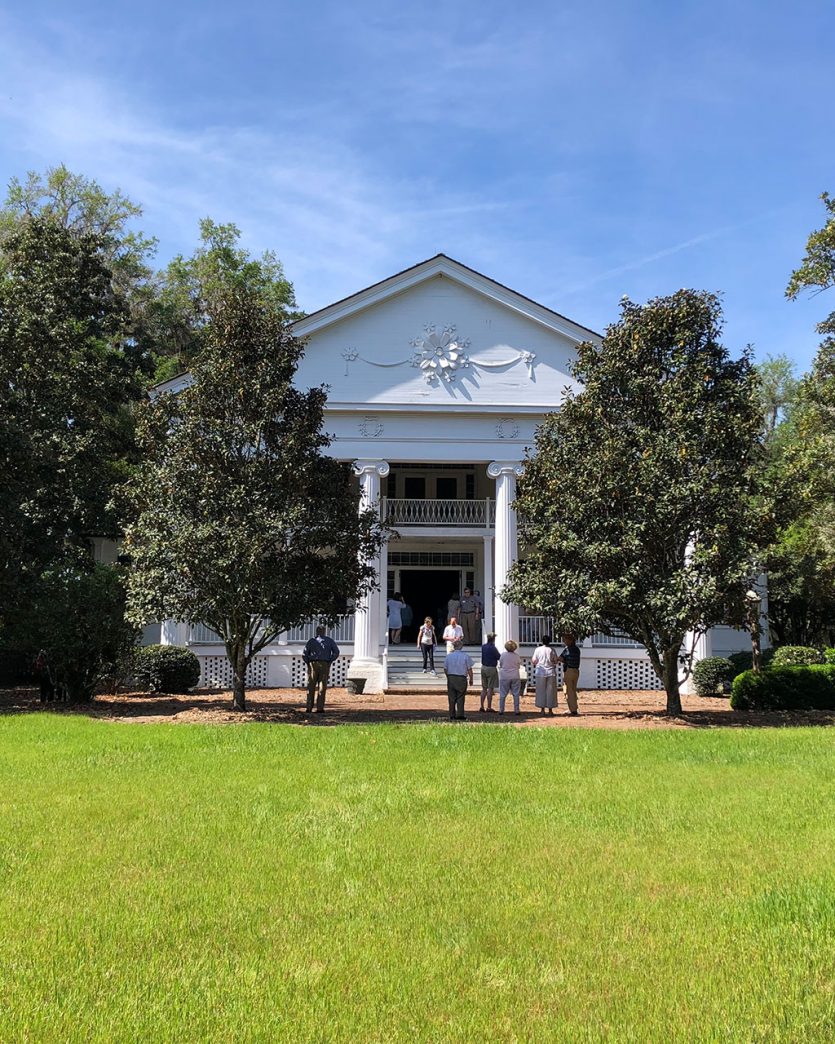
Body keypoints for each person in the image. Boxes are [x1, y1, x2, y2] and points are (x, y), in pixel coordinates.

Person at [302, 626, 340, 714]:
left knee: (311, 685)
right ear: (324, 631)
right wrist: (330, 660)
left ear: (316, 631)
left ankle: (309, 707)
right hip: (324, 663)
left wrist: (308, 663)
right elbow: (336, 652)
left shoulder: (312, 641)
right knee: (322, 686)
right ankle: (320, 708)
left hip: (313, 663)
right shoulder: (329, 641)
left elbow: (304, 654)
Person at [444, 639, 473, 721]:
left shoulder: (449, 656)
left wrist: (448, 676)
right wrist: (471, 679)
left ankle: (452, 714)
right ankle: (460, 714)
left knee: (451, 697)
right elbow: (469, 669)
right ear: (461, 647)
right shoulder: (465, 656)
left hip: (451, 677)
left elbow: (445, 669)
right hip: (461, 678)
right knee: (460, 696)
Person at [531, 634, 558, 715]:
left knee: (540, 691)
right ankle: (550, 710)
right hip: (550, 672)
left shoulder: (538, 649)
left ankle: (542, 710)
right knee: (551, 691)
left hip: (540, 672)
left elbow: (534, 660)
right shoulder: (552, 649)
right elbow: (555, 661)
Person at [498, 639, 523, 715]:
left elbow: (501, 664)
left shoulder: (503, 655)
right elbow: (518, 665)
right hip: (515, 675)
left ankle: (501, 710)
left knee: (502, 694)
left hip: (504, 676)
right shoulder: (516, 656)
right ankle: (516, 710)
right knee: (516, 694)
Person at [558, 633, 581, 715]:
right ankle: (574, 707)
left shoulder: (567, 649)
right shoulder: (577, 649)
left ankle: (573, 710)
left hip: (569, 671)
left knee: (568, 690)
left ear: (570, 640)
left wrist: (557, 659)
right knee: (573, 690)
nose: (564, 641)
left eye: (566, 640)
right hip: (576, 671)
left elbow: (561, 658)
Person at [479, 632, 500, 712]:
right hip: (491, 668)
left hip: (483, 667)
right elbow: (498, 657)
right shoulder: (493, 648)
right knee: (490, 688)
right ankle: (489, 707)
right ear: (493, 639)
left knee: (484, 688)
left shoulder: (483, 647)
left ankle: (481, 706)